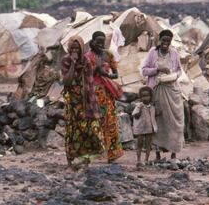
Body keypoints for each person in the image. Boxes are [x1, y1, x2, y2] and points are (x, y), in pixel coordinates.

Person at [61, 35, 105, 169]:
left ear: (81, 48)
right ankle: (70, 160)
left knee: (89, 129)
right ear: (69, 48)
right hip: (72, 103)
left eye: (77, 48)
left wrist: (93, 103)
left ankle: (86, 160)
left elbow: (90, 83)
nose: (75, 51)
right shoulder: (65, 60)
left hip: (86, 102)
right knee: (72, 131)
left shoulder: (86, 61)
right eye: (73, 48)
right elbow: (67, 81)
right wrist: (73, 64)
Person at [140, 29, 184, 160]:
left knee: (174, 122)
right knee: (158, 121)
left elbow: (179, 70)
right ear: (160, 40)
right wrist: (157, 69)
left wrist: (175, 76)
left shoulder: (174, 53)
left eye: (168, 41)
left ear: (171, 42)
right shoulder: (153, 53)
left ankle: (173, 152)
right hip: (157, 91)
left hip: (172, 91)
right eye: (163, 40)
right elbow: (144, 71)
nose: (165, 43)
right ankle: (158, 153)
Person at [85, 31, 124, 163]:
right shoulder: (87, 57)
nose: (100, 45)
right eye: (98, 42)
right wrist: (96, 70)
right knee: (94, 123)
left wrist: (106, 75)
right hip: (93, 94)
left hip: (107, 93)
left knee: (110, 122)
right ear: (92, 42)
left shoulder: (108, 55)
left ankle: (112, 155)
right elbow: (84, 76)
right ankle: (92, 154)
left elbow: (116, 75)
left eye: (102, 42)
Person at [132, 86, 159, 167]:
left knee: (148, 145)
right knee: (139, 144)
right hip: (140, 128)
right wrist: (139, 111)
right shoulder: (139, 105)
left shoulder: (152, 106)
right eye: (143, 96)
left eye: (147, 96)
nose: (145, 98)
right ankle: (138, 160)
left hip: (149, 128)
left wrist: (159, 112)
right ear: (140, 97)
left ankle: (146, 160)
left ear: (151, 96)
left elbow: (155, 114)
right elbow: (135, 115)